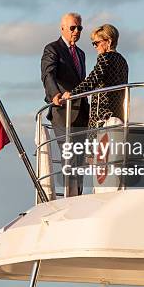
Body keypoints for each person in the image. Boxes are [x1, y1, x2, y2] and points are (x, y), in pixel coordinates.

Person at [40, 12, 90, 196]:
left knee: (80, 157)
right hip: (63, 110)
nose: (76, 31)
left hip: (82, 111)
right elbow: (48, 74)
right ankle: (69, 196)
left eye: (79, 28)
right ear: (62, 28)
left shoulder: (81, 54)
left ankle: (78, 195)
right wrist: (55, 94)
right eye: (73, 27)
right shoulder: (52, 49)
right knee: (68, 153)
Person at [62, 23, 128, 128]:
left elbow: (93, 79)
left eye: (97, 43)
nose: (95, 47)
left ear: (109, 41)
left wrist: (72, 94)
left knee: (95, 144)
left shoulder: (105, 57)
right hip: (117, 115)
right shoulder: (123, 61)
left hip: (102, 117)